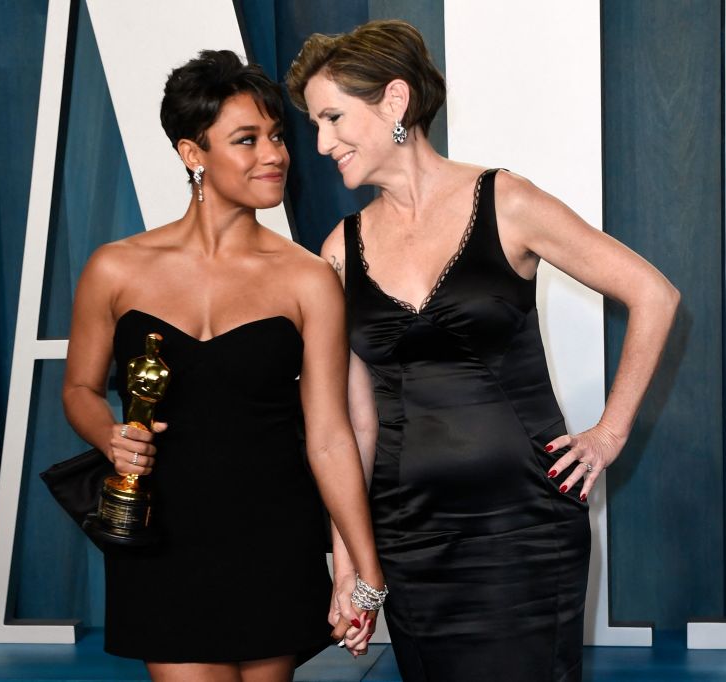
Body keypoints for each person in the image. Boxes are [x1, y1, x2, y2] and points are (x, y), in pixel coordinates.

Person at [286, 20, 679, 681]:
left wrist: (610, 434)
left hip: (528, 523)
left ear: (394, 101)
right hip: (412, 535)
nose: (321, 144)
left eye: (331, 118)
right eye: (314, 126)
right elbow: (353, 428)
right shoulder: (336, 252)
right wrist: (350, 567)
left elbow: (654, 295)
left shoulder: (508, 202)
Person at [62, 50, 385, 682]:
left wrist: (364, 567)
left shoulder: (309, 279)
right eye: (246, 139)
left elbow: (328, 435)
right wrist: (108, 435)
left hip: (272, 530)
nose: (274, 154)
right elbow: (78, 388)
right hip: (164, 532)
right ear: (193, 154)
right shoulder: (116, 268)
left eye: (276, 136)